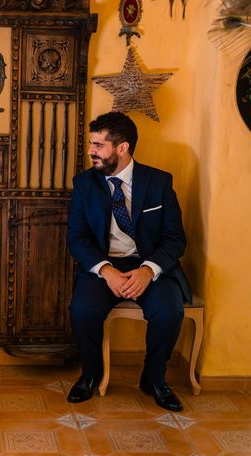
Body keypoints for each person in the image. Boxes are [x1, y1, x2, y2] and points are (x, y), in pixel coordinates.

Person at [66, 112, 191, 412]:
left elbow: (175, 238)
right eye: (91, 143)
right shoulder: (84, 184)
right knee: (83, 310)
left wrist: (149, 270)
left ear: (122, 148)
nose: (90, 151)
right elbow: (77, 238)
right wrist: (105, 271)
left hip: (149, 266)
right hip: (103, 266)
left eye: (98, 145)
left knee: (168, 311)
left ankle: (154, 378)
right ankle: (91, 374)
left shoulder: (159, 182)